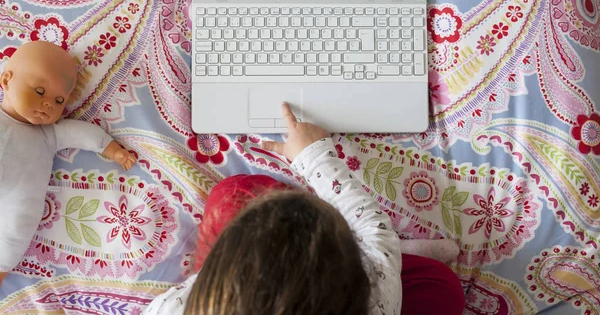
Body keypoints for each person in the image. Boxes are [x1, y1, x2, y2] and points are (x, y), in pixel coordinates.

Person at [143, 103, 465, 315]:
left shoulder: (174, 309)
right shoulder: (376, 294)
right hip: (373, 272)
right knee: (442, 288)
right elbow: (369, 224)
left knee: (233, 193)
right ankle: (389, 253)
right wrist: (311, 153)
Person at [0, 41, 136, 286]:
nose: (49, 104)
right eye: (40, 91)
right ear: (7, 80)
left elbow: (82, 133)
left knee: (17, 228)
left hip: (15, 209)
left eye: (59, 99)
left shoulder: (48, 134)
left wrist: (112, 150)